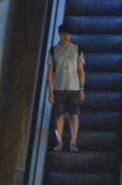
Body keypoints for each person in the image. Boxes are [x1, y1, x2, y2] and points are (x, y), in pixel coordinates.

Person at [47, 22, 85, 153]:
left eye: (68, 34)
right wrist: (50, 91)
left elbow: (81, 70)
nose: (66, 37)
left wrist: (81, 89)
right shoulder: (53, 50)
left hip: (74, 88)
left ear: (71, 35)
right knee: (58, 115)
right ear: (59, 35)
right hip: (59, 88)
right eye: (63, 34)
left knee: (74, 115)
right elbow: (50, 71)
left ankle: (73, 141)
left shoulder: (77, 49)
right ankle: (59, 141)